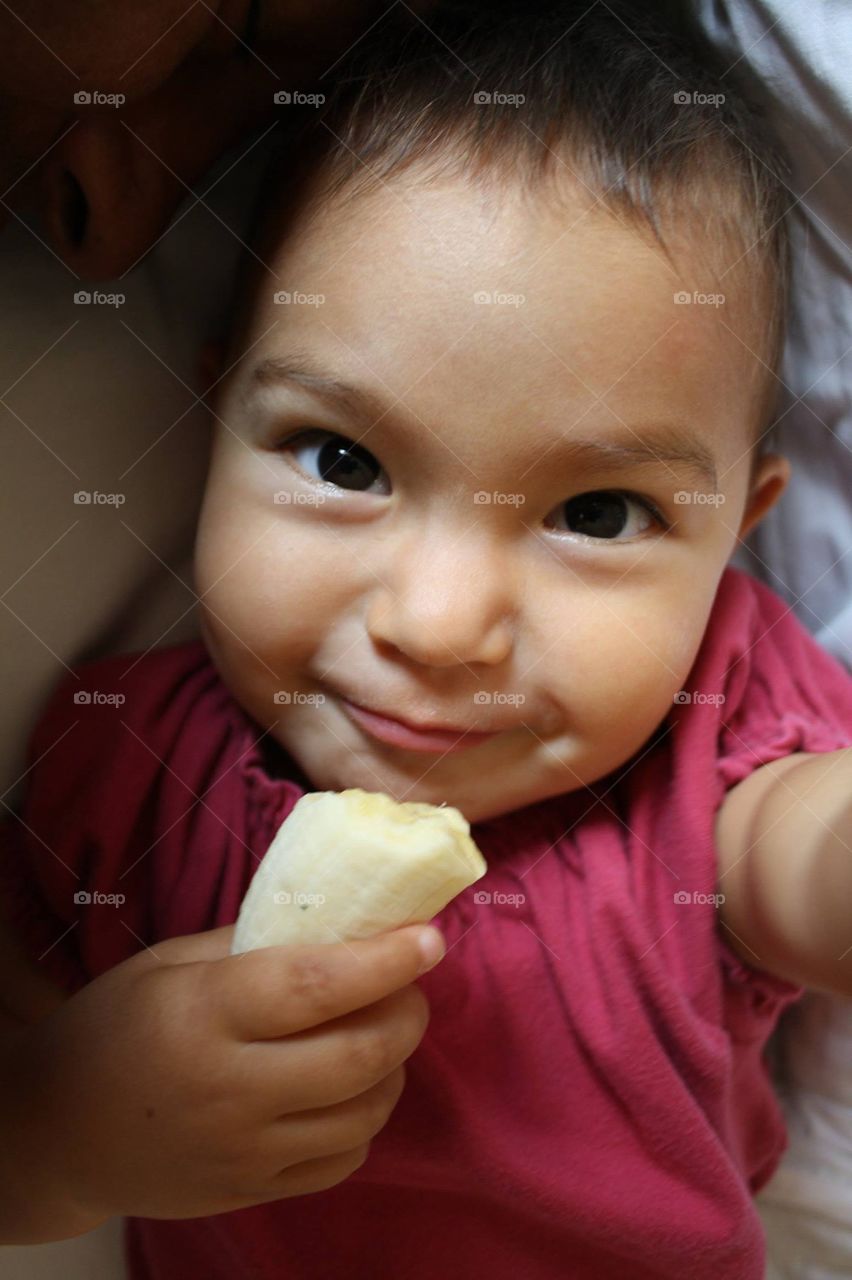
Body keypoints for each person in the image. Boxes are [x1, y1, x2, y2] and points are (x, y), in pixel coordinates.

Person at [3, 2, 852, 1277]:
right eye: (343, 459)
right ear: (217, 403)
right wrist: (64, 1129)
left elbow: (807, 865)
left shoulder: (702, 742)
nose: (440, 627)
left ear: (737, 532)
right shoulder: (132, 777)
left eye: (598, 512)